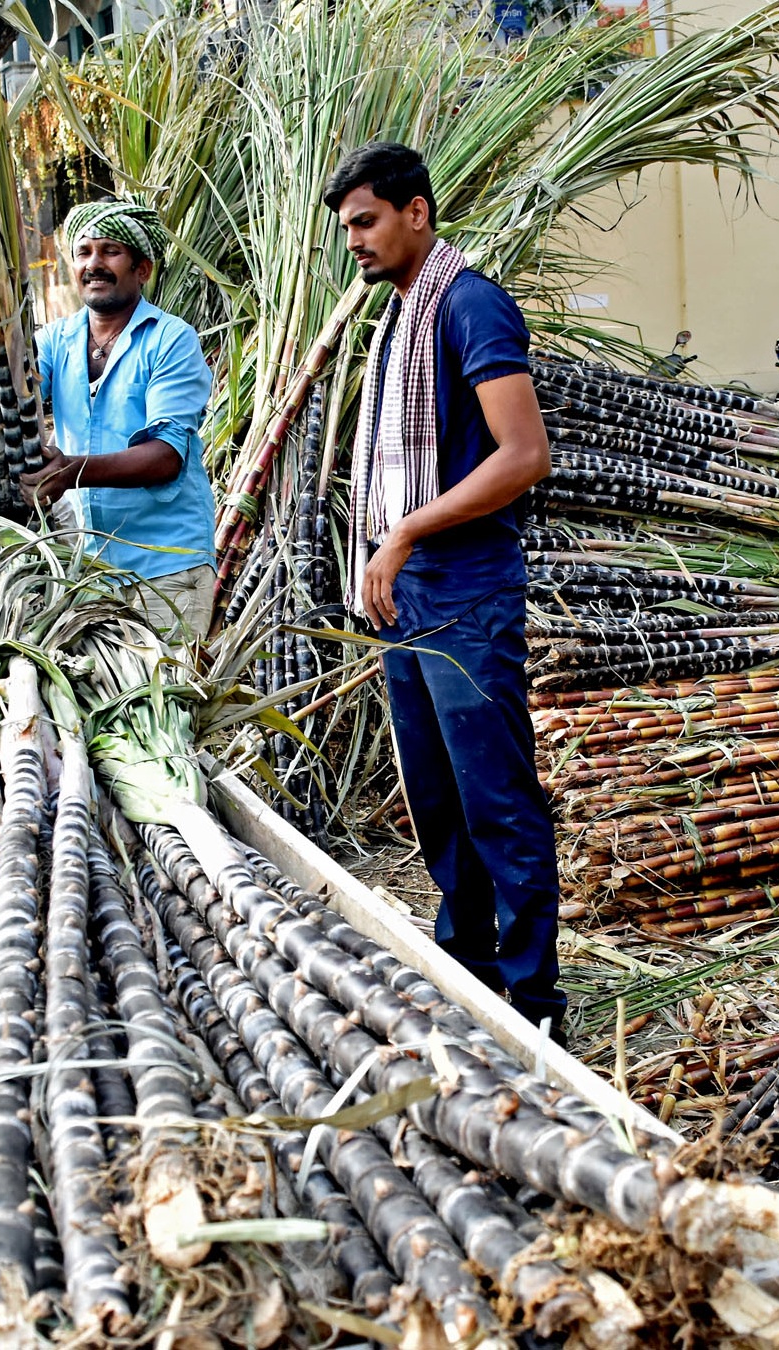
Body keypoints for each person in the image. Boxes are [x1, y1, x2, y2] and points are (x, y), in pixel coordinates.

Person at [321, 142, 563, 1034]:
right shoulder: (398, 316)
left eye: (366, 220)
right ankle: (467, 979)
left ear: (416, 211)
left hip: (463, 590)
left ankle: (535, 1003)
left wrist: (409, 529)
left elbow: (524, 455)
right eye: (346, 226)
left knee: (495, 801)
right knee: (437, 802)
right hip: (409, 595)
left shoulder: (467, 304)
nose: (354, 240)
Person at [25, 200, 216, 643]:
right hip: (84, 568)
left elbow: (166, 457)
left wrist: (72, 472)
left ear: (142, 269)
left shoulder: (171, 340)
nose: (93, 264)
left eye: (110, 251)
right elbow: (23, 387)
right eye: (84, 252)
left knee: (165, 703)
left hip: (166, 567)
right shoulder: (56, 339)